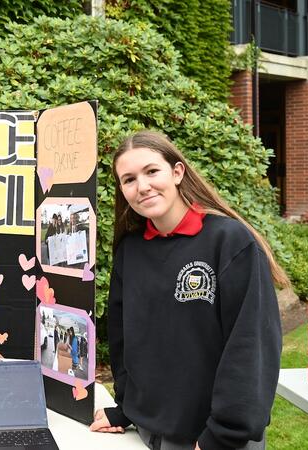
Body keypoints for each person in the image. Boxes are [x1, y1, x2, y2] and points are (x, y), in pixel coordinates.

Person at [90, 130, 287, 450]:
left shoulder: (229, 241)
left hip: (212, 439)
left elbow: (251, 346)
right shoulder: (132, 250)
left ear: (177, 171)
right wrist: (127, 410)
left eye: (152, 171)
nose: (142, 186)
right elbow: (125, 339)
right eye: (128, 179)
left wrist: (221, 436)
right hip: (149, 431)